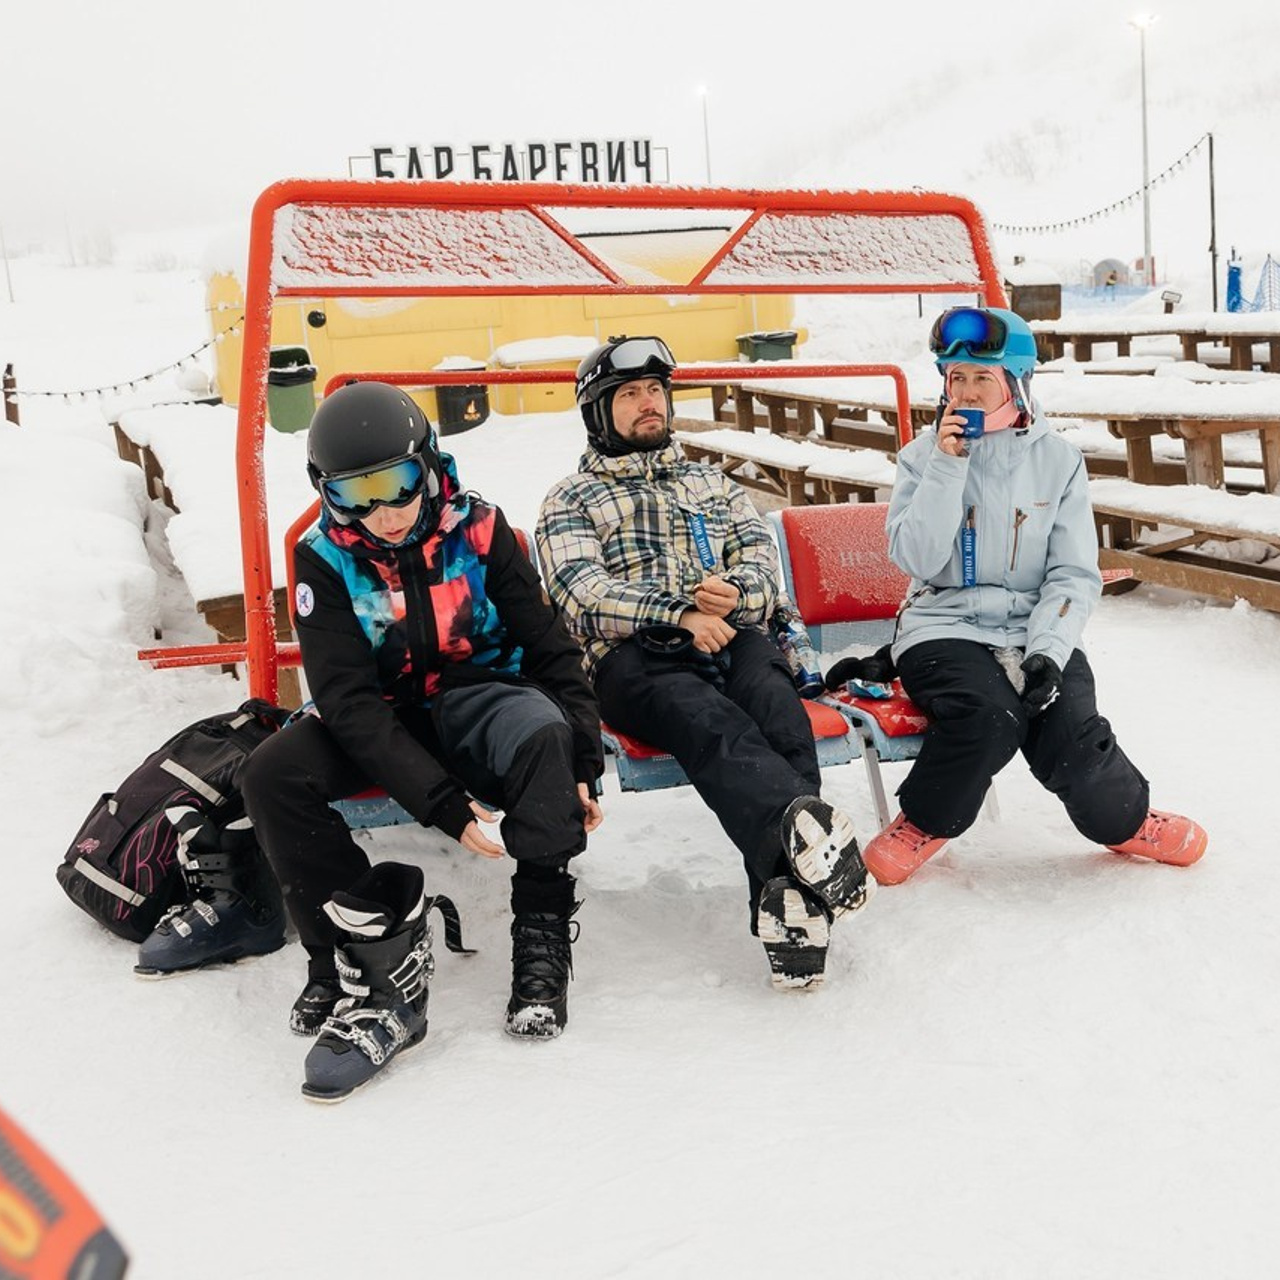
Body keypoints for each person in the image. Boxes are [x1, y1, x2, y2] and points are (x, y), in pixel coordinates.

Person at [241, 381, 603, 1102]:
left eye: (399, 484)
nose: (385, 512)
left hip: (479, 693)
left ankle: (540, 931)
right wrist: (442, 805)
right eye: (356, 495)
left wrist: (584, 758)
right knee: (271, 773)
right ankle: (339, 950)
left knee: (543, 734)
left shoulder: (481, 529)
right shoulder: (323, 558)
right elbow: (346, 699)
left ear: (431, 465)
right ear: (327, 495)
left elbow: (548, 647)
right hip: (380, 713)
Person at [536, 335, 871, 993]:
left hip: (733, 633)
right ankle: (808, 864)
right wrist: (678, 612)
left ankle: (786, 904)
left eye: (655, 390)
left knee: (781, 718)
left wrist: (737, 593)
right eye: (628, 394)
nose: (648, 404)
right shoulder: (571, 498)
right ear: (598, 413)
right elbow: (582, 593)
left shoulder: (710, 482)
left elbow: (758, 560)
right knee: (713, 724)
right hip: (636, 658)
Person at [852, 305, 1207, 885]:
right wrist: (947, 467)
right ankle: (924, 820)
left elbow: (1072, 573)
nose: (964, 392)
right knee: (988, 717)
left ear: (1015, 382)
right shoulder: (921, 458)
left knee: (1069, 727)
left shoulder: (1058, 460)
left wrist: (1047, 649)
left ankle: (1126, 821)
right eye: (955, 378)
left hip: (1031, 624)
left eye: (981, 379)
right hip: (943, 626)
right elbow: (916, 560)